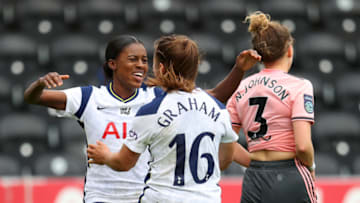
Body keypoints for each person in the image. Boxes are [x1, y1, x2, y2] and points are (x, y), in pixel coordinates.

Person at [24, 34, 260, 203]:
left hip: (142, 193)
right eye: (133, 59)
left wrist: (238, 70)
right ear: (112, 64)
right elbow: (34, 98)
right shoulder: (88, 98)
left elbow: (212, 99)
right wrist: (40, 83)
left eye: (145, 60)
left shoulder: (156, 100)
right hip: (102, 196)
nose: (140, 65)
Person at [87, 34, 250, 203]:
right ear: (195, 68)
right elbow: (223, 161)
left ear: (161, 69)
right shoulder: (219, 109)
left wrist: (105, 156)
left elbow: (124, 163)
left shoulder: (151, 111)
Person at [227, 11, 317, 203]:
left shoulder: (239, 88)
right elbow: (302, 146)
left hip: (254, 179)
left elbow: (226, 143)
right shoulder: (300, 86)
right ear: (289, 50)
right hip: (291, 174)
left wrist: (256, 162)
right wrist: (311, 167)